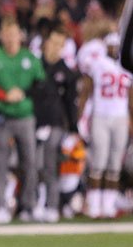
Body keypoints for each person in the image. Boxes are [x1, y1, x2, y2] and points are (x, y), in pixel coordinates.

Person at [0, 18, 45, 223]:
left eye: (13, 33)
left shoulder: (29, 57)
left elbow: (41, 84)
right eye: (6, 34)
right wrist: (4, 96)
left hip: (25, 116)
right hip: (2, 115)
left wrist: (22, 92)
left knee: (30, 162)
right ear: (1, 36)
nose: (10, 38)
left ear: (20, 35)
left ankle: (29, 205)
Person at [78, 33, 131, 219]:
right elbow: (86, 91)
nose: (115, 49)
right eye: (112, 45)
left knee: (115, 162)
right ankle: (94, 204)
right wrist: (82, 116)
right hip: (100, 115)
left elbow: (130, 95)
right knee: (98, 161)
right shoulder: (98, 64)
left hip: (120, 117)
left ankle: (108, 205)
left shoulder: (127, 66)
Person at [31, 27, 78, 223]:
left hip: (55, 122)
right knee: (33, 164)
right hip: (33, 121)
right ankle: (33, 204)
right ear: (46, 42)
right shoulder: (34, 65)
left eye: (61, 45)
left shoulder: (65, 71)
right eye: (54, 43)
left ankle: (50, 205)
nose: (56, 48)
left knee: (49, 164)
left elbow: (70, 101)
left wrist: (73, 128)